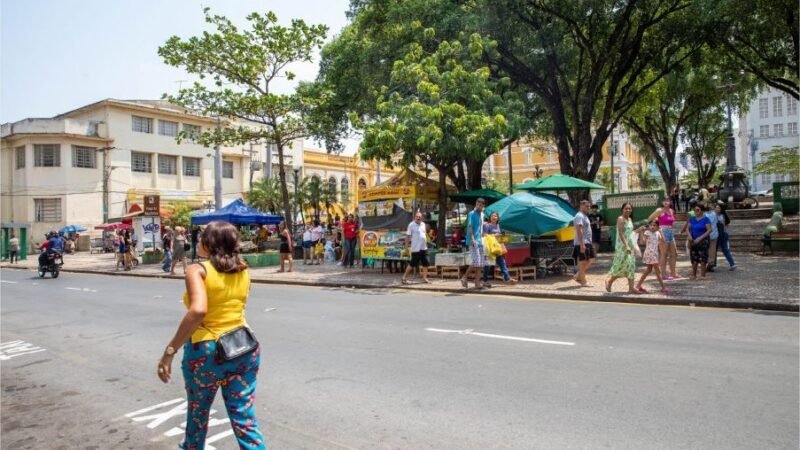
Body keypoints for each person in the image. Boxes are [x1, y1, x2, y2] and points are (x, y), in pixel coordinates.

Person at [156, 221, 266, 449]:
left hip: (206, 352)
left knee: (198, 415)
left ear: (208, 243)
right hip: (244, 348)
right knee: (244, 417)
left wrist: (170, 351)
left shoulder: (197, 270)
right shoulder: (243, 269)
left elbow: (198, 310)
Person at [605, 203, 638, 294]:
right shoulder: (620, 219)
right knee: (621, 266)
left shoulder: (630, 219)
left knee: (631, 265)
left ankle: (631, 288)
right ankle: (610, 281)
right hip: (622, 247)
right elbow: (620, 233)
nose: (628, 210)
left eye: (629, 208)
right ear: (622, 209)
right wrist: (626, 245)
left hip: (630, 246)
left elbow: (630, 233)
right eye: (626, 208)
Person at [481, 212, 517, 286]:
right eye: (492, 216)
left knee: (502, 263)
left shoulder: (498, 226)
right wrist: (495, 235)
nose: (494, 217)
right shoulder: (487, 225)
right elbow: (484, 235)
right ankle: (485, 281)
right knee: (488, 265)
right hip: (491, 248)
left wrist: (503, 240)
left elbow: (500, 238)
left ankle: (508, 279)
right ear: (490, 218)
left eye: (495, 216)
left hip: (498, 248)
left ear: (497, 218)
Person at [648, 198, 680, 280]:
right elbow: (650, 218)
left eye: (668, 200)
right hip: (663, 231)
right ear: (662, 202)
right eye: (664, 200)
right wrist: (657, 228)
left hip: (670, 232)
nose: (666, 202)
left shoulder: (671, 210)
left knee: (674, 253)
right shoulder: (659, 210)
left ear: (670, 202)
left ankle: (673, 273)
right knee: (664, 253)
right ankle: (663, 274)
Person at [635, 220, 669, 294]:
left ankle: (638, 286)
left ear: (657, 227)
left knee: (648, 270)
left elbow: (663, 241)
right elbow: (643, 242)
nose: (652, 227)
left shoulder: (657, 233)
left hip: (654, 253)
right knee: (658, 271)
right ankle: (663, 287)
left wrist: (661, 231)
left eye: (654, 225)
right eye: (651, 225)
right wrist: (641, 232)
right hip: (650, 253)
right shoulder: (647, 232)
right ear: (649, 226)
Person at [460, 198, 486, 289]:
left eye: (480, 205)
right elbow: (470, 227)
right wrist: (472, 239)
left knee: (481, 263)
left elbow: (481, 227)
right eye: (477, 204)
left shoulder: (482, 214)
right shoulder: (471, 214)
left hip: (480, 240)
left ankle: (477, 283)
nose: (478, 206)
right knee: (476, 261)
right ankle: (464, 277)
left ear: (483, 206)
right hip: (472, 240)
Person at [684, 204, 713, 280]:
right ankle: (694, 275)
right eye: (695, 210)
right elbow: (687, 228)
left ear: (702, 210)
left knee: (703, 258)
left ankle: (703, 275)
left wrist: (700, 238)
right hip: (693, 240)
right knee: (694, 258)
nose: (696, 211)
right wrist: (690, 236)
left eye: (698, 210)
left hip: (703, 241)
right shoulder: (692, 219)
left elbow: (709, 230)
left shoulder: (706, 219)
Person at [401, 211, 431, 284]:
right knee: (413, 263)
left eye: (420, 217)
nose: (418, 218)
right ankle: (404, 277)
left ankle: (424, 278)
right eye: (417, 216)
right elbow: (407, 237)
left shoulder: (423, 224)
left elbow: (424, 235)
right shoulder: (411, 225)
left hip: (424, 247)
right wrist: (406, 248)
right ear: (415, 217)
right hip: (416, 248)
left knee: (426, 262)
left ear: (422, 218)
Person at [573, 200, 595, 286]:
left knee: (591, 260)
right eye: (586, 206)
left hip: (587, 242)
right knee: (583, 261)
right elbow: (579, 230)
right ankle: (583, 281)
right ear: (581, 206)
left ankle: (578, 275)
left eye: (589, 206)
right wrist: (582, 244)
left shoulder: (585, 216)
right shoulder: (579, 216)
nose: (588, 208)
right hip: (582, 242)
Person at [714, 203, 737, 270]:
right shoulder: (723, 216)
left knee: (715, 250)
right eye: (716, 207)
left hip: (720, 234)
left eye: (718, 208)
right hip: (724, 234)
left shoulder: (720, 217)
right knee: (725, 249)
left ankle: (714, 265)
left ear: (721, 209)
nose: (716, 209)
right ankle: (732, 263)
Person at [704, 205, 720, 272]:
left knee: (706, 249)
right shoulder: (714, 214)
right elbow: (717, 222)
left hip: (706, 234)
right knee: (712, 250)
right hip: (714, 234)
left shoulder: (704, 215)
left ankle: (706, 263)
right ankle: (711, 263)